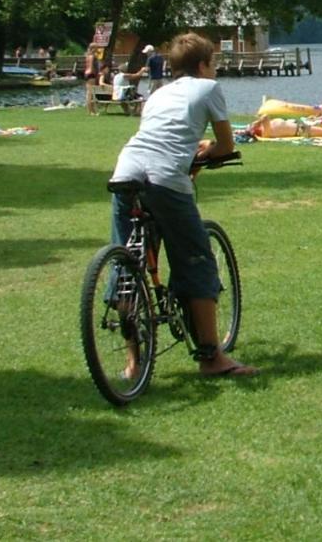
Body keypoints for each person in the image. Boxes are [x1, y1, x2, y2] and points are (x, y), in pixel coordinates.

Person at [109, 32, 257, 378]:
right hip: (165, 180)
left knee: (126, 264)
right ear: (204, 64)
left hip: (126, 169)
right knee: (197, 261)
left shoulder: (158, 93)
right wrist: (205, 152)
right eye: (214, 64)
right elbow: (224, 144)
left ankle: (133, 364)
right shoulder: (208, 89)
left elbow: (162, 136)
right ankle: (211, 358)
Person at [248, 115, 322, 140]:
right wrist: (257, 123)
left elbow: (265, 118)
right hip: (299, 131)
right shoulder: (266, 133)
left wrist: (255, 124)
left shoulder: (265, 129)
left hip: (299, 128)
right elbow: (265, 117)